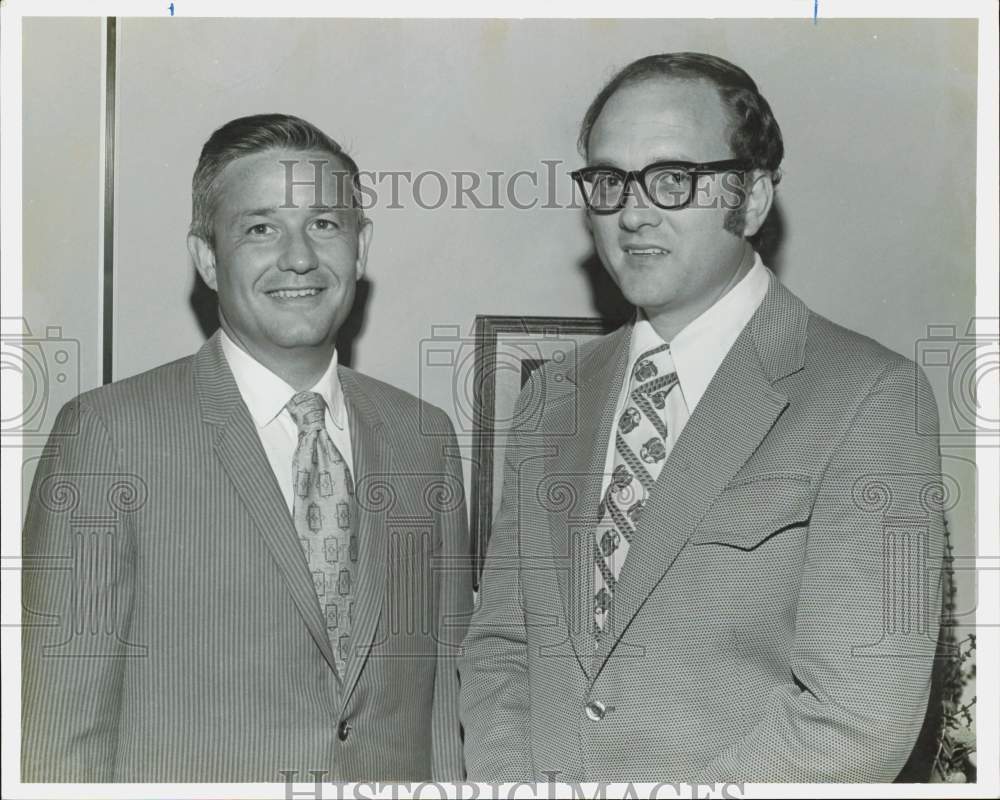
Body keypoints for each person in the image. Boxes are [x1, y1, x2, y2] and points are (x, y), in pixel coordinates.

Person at [460, 53, 945, 782]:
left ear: (750, 200)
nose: (633, 211)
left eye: (672, 178)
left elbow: (860, 716)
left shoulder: (872, 398)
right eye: (609, 180)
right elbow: (501, 646)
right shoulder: (550, 398)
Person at [22, 113, 471, 782]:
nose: (299, 257)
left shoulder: (424, 439)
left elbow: (443, 712)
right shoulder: (108, 436)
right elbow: (60, 732)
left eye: (325, 225)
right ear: (207, 258)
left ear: (361, 246)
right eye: (261, 228)